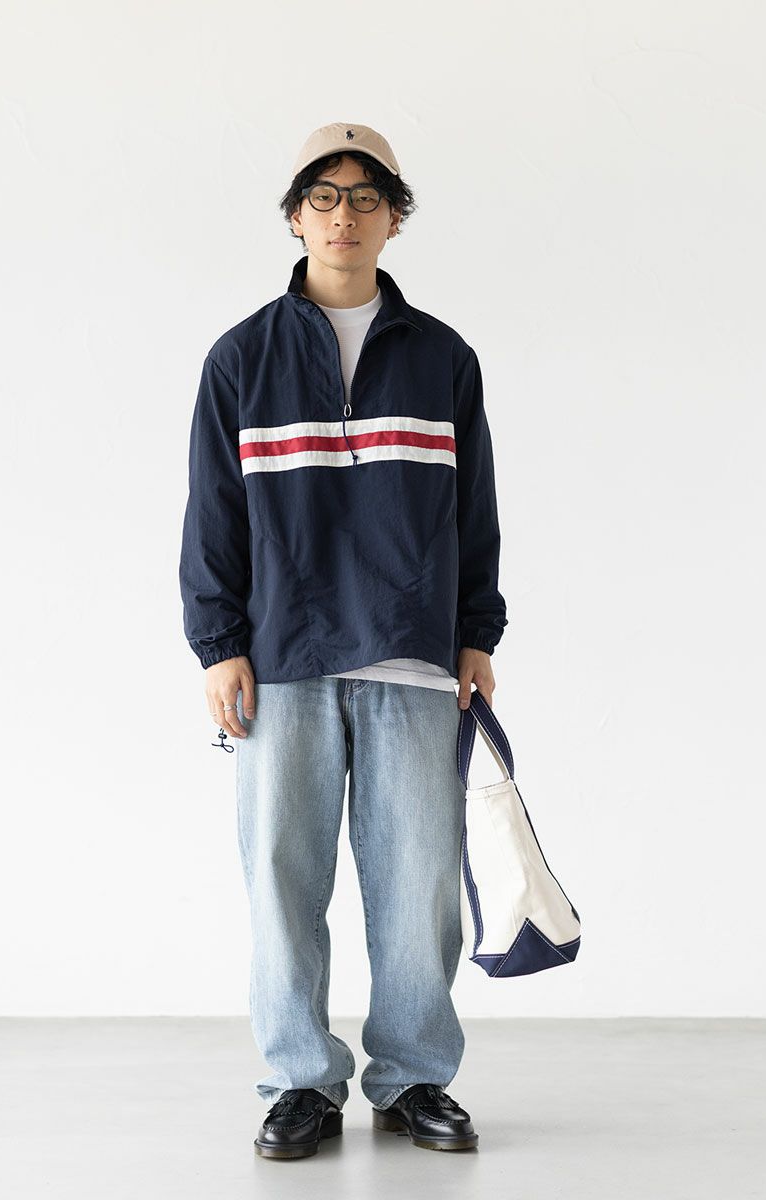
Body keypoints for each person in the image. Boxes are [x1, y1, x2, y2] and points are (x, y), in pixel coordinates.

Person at [179, 122, 507, 1158]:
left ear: (395, 219)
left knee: (421, 885)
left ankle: (413, 1078)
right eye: (324, 196)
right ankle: (301, 1083)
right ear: (295, 215)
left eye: (368, 197)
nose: (345, 215)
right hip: (281, 657)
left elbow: (476, 509)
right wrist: (218, 643)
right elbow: (212, 514)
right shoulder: (241, 358)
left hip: (413, 650)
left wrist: (477, 631)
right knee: (282, 879)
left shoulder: (443, 358)